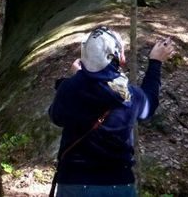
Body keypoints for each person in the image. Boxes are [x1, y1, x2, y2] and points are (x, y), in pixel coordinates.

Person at [48, 25, 175, 197]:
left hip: (73, 182)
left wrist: (78, 78)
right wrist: (155, 62)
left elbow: (56, 117)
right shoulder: (129, 96)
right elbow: (148, 104)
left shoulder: (69, 88)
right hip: (118, 183)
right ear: (119, 58)